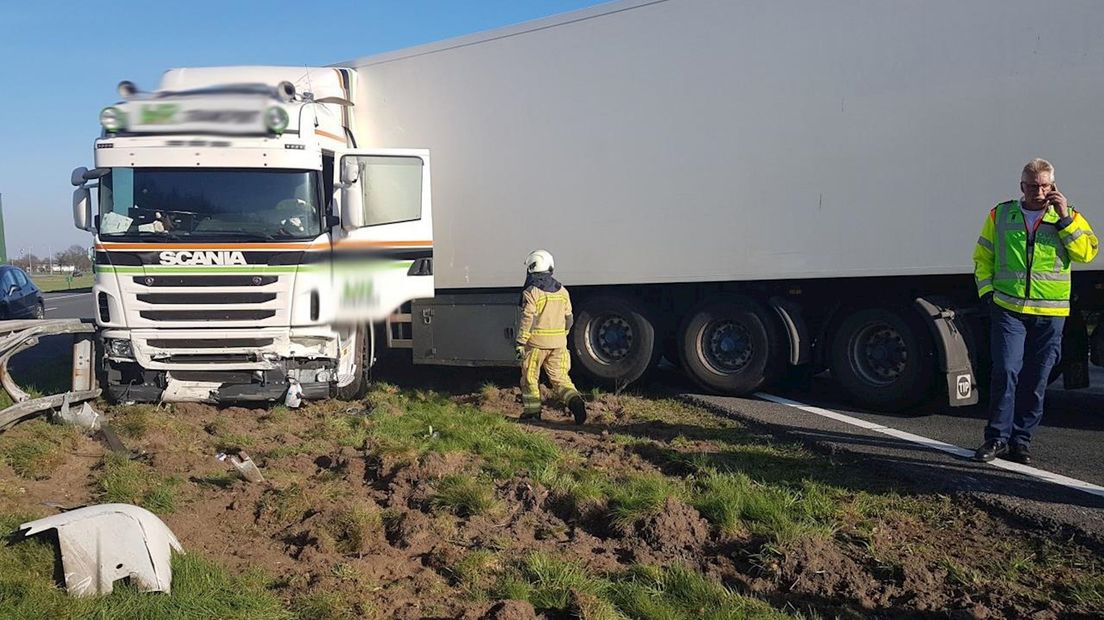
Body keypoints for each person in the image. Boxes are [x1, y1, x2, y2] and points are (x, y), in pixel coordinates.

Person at [972, 158, 1098, 464]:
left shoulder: (1069, 216)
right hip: (1008, 308)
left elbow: (1086, 253)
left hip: (1050, 312)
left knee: (1036, 378)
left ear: (1052, 186)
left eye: (1043, 186)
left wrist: (1065, 218)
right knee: (1005, 371)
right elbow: (983, 256)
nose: (1037, 192)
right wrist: (988, 292)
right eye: (1031, 186)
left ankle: (1021, 440)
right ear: (1021, 186)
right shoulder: (1001, 214)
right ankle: (997, 438)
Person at [516, 249, 587, 424]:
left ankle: (532, 413)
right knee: (561, 378)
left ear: (532, 268)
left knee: (530, 378)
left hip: (536, 346)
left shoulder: (531, 292)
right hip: (558, 345)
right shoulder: (562, 291)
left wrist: (520, 342)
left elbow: (528, 319)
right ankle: (575, 401)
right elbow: (569, 318)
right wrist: (562, 336)